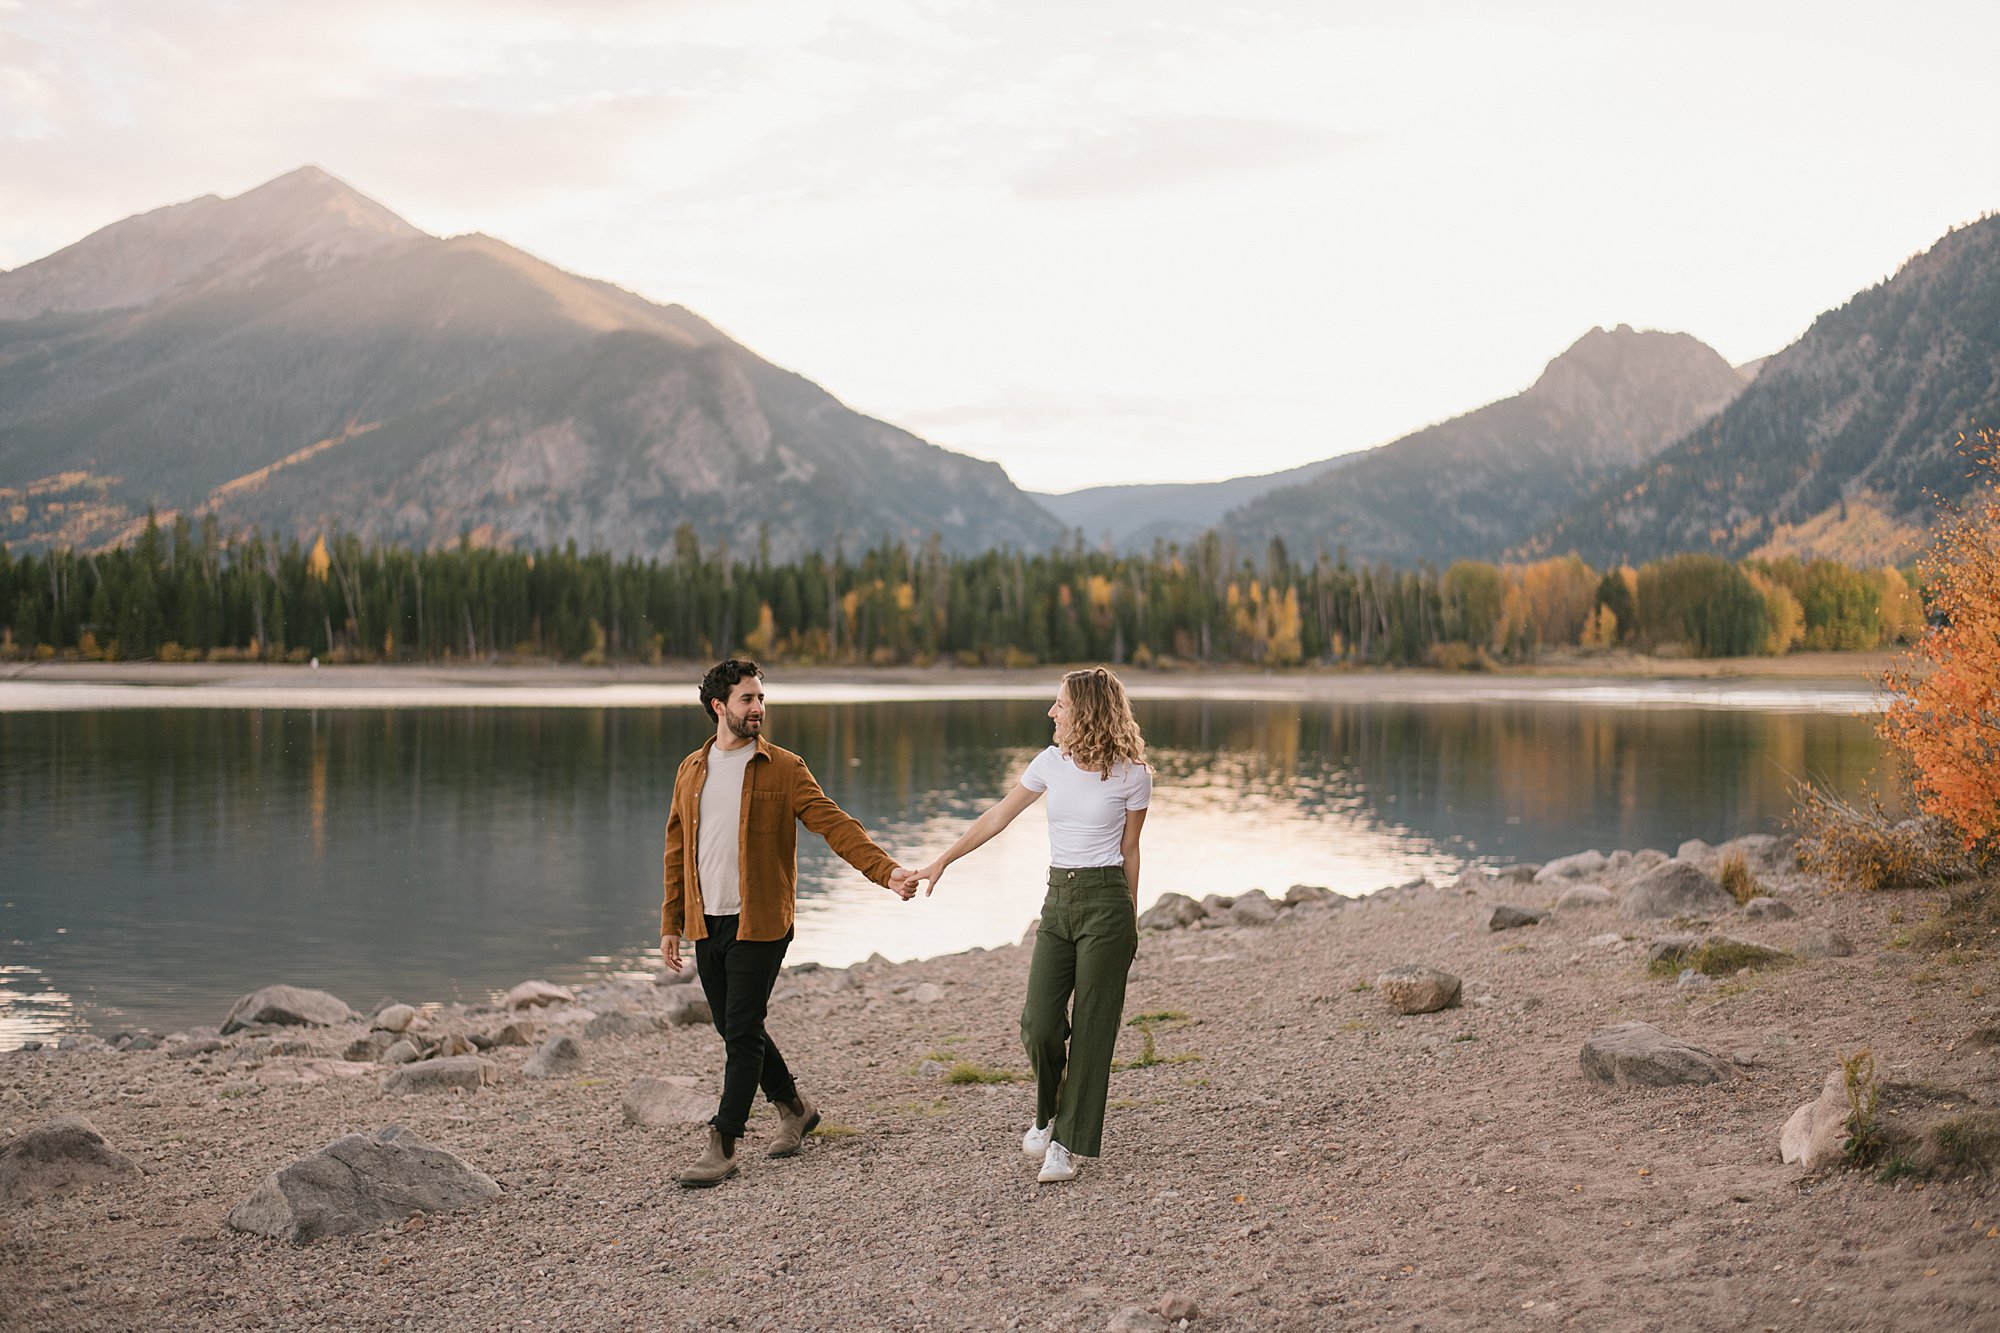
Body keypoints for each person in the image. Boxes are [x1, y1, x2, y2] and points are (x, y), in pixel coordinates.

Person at [661, 658, 916, 1187]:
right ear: (718, 707)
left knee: (743, 1030)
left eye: (760, 698)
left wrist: (886, 871)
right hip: (706, 923)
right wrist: (671, 921)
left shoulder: (784, 767)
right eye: (746, 700)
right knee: (735, 1026)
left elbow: (834, 824)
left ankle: (723, 1141)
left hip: (762, 921)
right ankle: (794, 1108)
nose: (758, 708)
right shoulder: (691, 770)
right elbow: (676, 847)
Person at [913, 666, 1150, 1184]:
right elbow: (998, 816)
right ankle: (1048, 1114)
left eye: (1060, 705)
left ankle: (1065, 1143)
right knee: (1039, 1025)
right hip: (1058, 900)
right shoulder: (1050, 763)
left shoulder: (1134, 774)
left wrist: (1131, 919)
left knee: (1092, 1028)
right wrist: (943, 861)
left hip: (1108, 902)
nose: (1051, 712)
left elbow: (1130, 850)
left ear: (1084, 712)